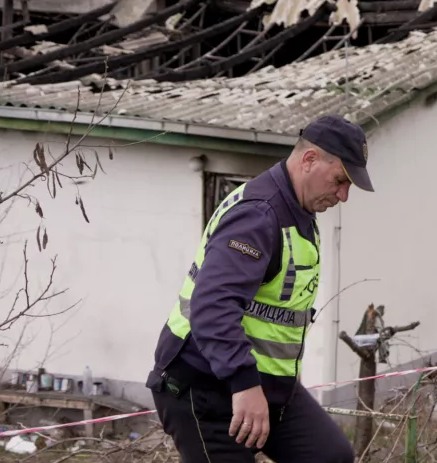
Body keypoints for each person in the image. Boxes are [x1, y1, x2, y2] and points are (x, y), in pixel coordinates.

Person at [146, 114, 374, 463]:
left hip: (268, 387)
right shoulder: (259, 216)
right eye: (340, 180)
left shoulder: (297, 208)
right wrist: (245, 385)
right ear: (309, 159)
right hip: (206, 388)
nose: (343, 195)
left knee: (329, 456)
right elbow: (212, 306)